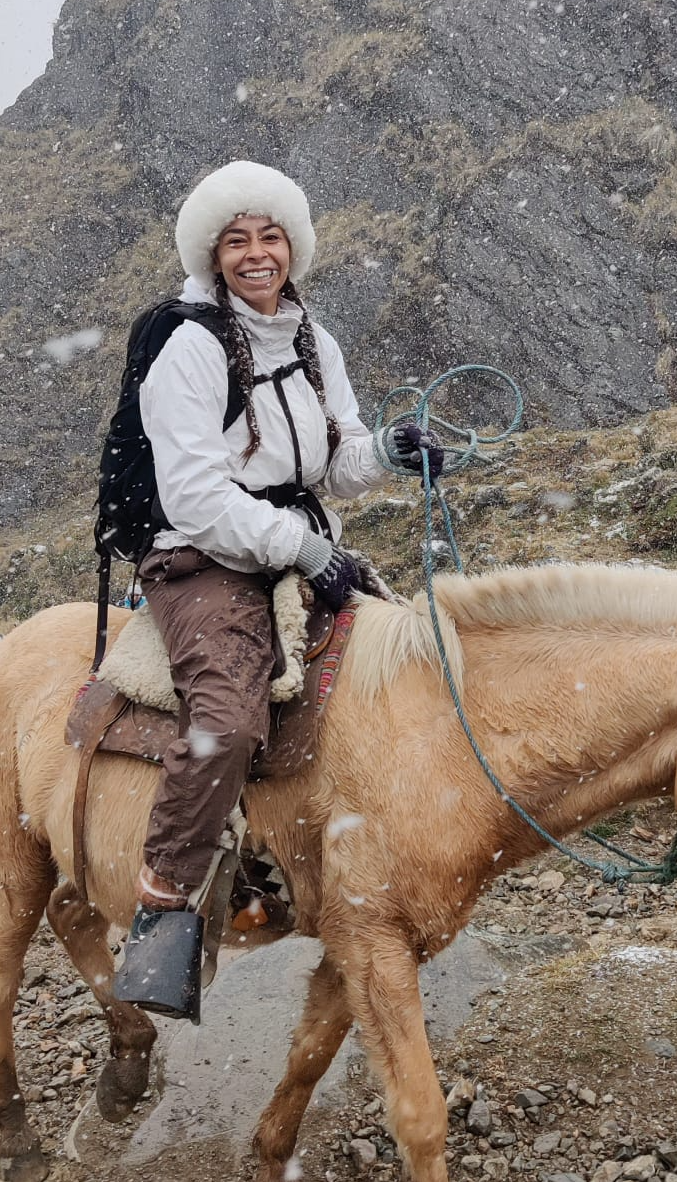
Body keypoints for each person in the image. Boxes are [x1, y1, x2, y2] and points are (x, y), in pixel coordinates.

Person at [114, 159, 442, 1016]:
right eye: (237, 241)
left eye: (269, 238)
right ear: (212, 254)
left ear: (291, 248)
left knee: (403, 669)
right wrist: (302, 550)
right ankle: (164, 905)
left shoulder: (310, 340)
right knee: (224, 719)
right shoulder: (187, 345)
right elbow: (195, 495)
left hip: (294, 539)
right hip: (201, 554)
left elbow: (336, 460)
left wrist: (391, 454)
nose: (256, 254)